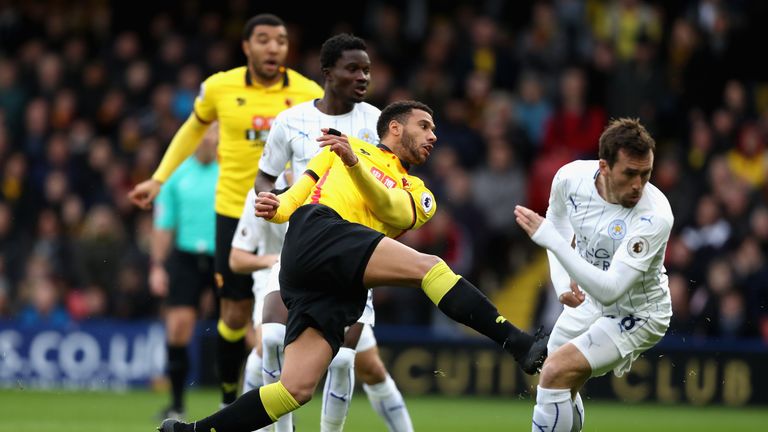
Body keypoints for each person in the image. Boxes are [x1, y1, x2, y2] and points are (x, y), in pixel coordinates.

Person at [159, 100, 548, 432]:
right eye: (425, 126)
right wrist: (276, 207)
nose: (434, 136)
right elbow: (297, 198)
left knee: (295, 389)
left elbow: (389, 208)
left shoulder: (420, 193)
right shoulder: (339, 150)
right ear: (395, 128)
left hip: (341, 280)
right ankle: (517, 342)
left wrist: (354, 166)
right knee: (430, 267)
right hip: (316, 234)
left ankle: (198, 429)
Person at [128, 14, 323, 407]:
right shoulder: (219, 87)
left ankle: (277, 401)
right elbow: (192, 130)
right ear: (247, 47)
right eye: (264, 40)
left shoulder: (308, 91)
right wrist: (159, 178)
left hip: (288, 211)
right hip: (234, 212)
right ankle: (229, 397)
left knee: (282, 313)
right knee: (234, 315)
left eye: (281, 41)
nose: (274, 47)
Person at [254, 33, 412, 432]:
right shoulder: (290, 121)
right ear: (328, 73)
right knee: (271, 336)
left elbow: (392, 186)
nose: (363, 76)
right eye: (353, 69)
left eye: (367, 70)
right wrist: (266, 199)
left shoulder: (375, 124)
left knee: (344, 360)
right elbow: (265, 176)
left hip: (352, 255)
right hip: (299, 248)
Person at [513, 118, 673, 431]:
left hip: (639, 313)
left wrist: (552, 240)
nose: (638, 184)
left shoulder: (655, 216)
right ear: (604, 166)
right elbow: (558, 222)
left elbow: (611, 289)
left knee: (555, 371)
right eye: (630, 173)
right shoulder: (570, 177)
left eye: (646, 174)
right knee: (558, 379)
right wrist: (561, 285)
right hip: (589, 299)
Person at [149, 125, 219, 420]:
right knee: (178, 327)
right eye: (204, 136)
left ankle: (240, 398)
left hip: (224, 256)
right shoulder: (176, 176)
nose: (209, 141)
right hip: (186, 256)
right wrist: (157, 267)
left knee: (242, 327)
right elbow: (164, 226)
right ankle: (176, 404)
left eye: (214, 136)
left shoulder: (231, 173)